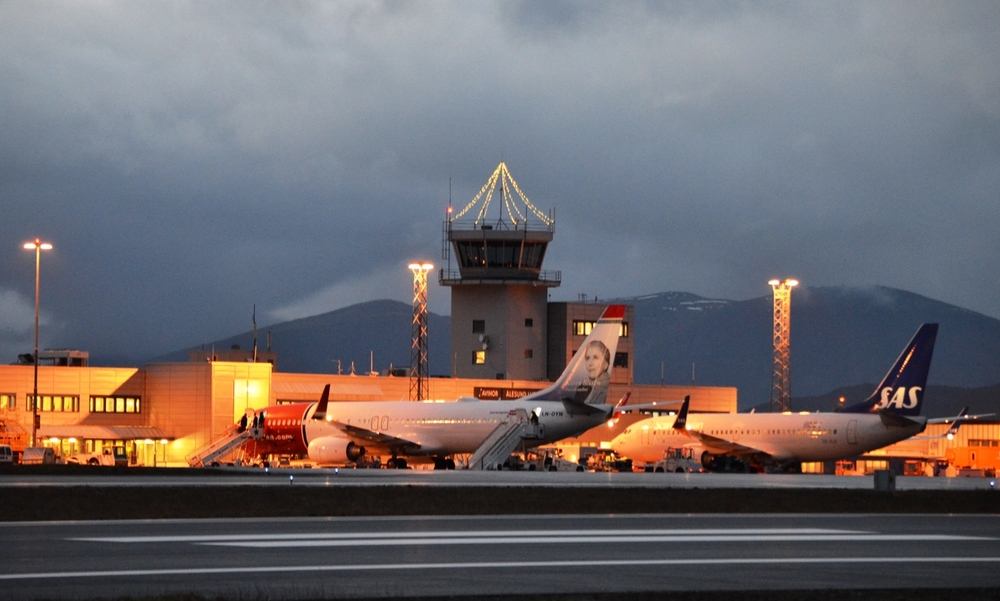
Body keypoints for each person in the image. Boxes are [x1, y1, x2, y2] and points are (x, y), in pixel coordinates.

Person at [576, 339, 611, 405]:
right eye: (587, 358)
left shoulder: (605, 389)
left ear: (605, 365)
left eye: (595, 357)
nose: (590, 363)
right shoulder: (582, 389)